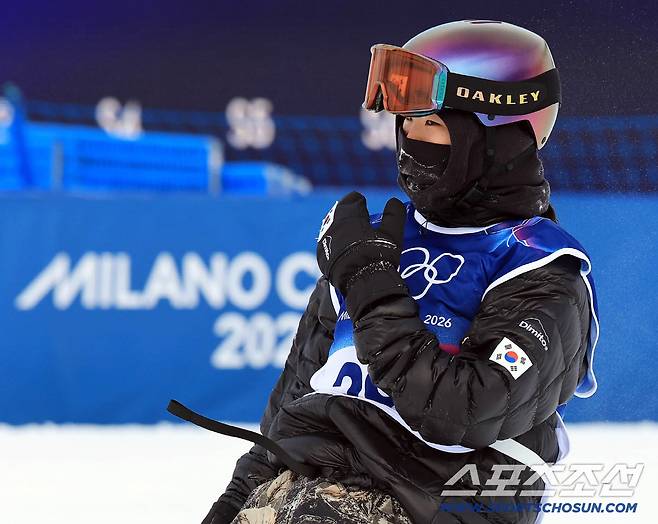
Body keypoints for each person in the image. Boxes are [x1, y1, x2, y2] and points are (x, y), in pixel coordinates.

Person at [198, 20, 599, 524]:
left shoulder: (541, 270)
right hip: (317, 484)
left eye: (432, 125)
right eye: (406, 123)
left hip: (443, 498)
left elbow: (467, 411)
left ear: (495, 136)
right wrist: (236, 499)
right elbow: (296, 399)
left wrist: (375, 295)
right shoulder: (376, 243)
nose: (411, 140)